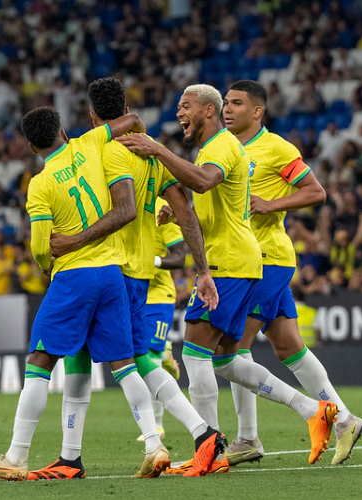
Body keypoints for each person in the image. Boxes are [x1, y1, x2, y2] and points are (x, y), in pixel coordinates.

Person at [117, 84, 337, 472]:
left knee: (195, 356)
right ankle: (312, 409)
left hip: (230, 263)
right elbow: (219, 204)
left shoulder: (220, 146)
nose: (179, 113)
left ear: (207, 110)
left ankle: (211, 450)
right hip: (240, 258)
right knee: (225, 360)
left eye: (185, 106)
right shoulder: (216, 147)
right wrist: (176, 210)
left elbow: (203, 181)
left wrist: (158, 150)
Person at [0, 107, 188, 482]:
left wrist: (45, 264)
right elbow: (131, 121)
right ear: (63, 131)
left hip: (74, 276)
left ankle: (17, 456)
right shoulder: (89, 143)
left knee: (39, 360)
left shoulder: (40, 184)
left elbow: (41, 246)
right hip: (113, 274)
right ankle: (154, 445)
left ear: (32, 145)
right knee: (124, 364)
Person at [48, 77, 221, 478]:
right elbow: (186, 212)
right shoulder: (152, 152)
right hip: (140, 272)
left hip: (111, 269)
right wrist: (203, 269)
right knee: (99, 356)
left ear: (92, 116)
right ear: (125, 107)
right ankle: (71, 456)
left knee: (126, 360)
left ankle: (196, 434)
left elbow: (122, 209)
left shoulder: (105, 151)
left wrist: (71, 242)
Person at [217, 80, 362, 466]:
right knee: (288, 347)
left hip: (266, 259)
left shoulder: (276, 148)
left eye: (236, 103)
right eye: (225, 103)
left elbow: (316, 192)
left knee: (232, 349)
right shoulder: (225, 148)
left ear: (258, 111)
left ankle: (248, 438)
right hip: (246, 259)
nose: (227, 109)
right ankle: (345, 420)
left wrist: (270, 204)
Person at [142, 197, 187, 439]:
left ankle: (157, 426)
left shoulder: (160, 208)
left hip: (159, 296)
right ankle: (164, 352)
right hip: (133, 296)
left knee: (148, 359)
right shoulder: (120, 205)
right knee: (137, 357)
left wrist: (152, 262)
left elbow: (180, 256)